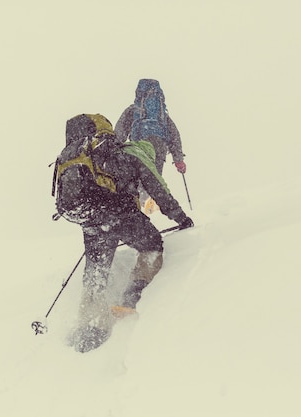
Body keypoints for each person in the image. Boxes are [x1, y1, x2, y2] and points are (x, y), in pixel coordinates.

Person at [52, 113, 193, 353]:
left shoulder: (89, 155)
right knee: (152, 246)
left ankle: (90, 325)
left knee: (95, 270)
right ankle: (131, 296)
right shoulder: (135, 153)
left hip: (90, 217)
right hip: (119, 213)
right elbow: (159, 191)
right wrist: (181, 218)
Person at [115, 79, 187, 214]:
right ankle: (152, 206)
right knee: (154, 179)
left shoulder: (133, 111)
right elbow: (174, 136)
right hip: (158, 149)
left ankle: (141, 210)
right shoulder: (162, 115)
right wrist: (179, 160)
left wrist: (115, 151)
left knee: (137, 178)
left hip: (139, 149)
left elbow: (119, 133)